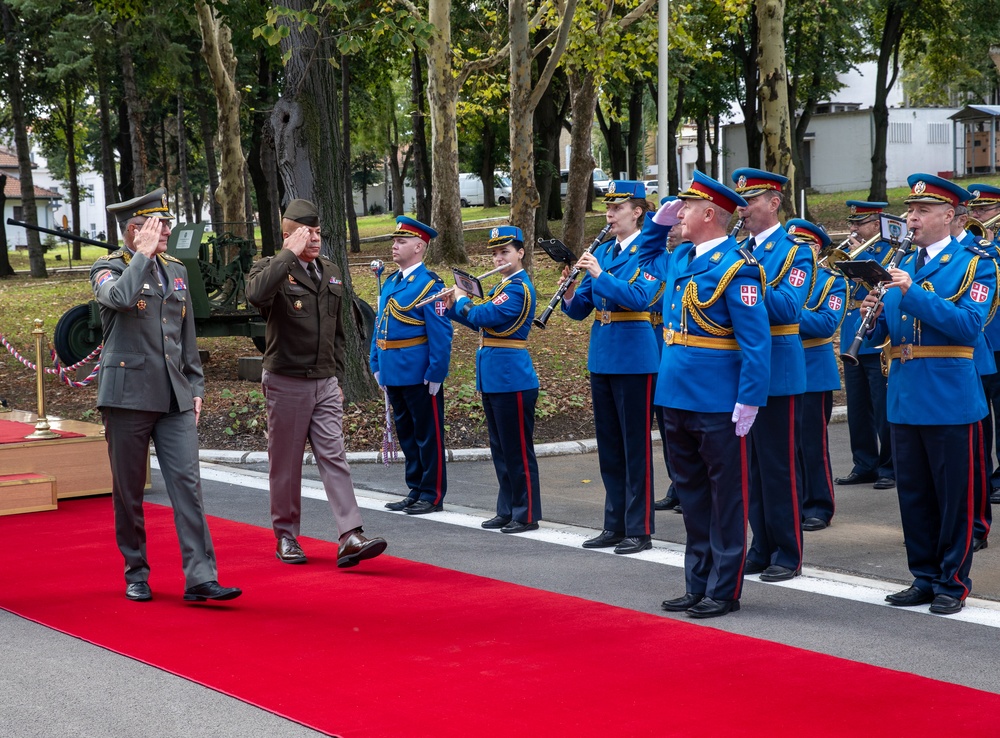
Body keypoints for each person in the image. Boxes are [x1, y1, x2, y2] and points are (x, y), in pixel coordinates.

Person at [91, 188, 241, 603]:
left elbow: (185, 338)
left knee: (188, 486)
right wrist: (140, 256)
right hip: (126, 396)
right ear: (135, 230)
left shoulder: (175, 270)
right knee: (129, 490)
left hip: (174, 397)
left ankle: (200, 578)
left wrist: (195, 387)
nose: (169, 231)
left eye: (168, 224)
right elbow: (119, 299)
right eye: (159, 226)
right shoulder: (108, 268)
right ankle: (135, 570)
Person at [637, 170, 770, 618]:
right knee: (691, 495)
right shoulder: (681, 258)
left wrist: (749, 398)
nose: (679, 214)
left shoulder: (739, 266)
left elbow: (756, 342)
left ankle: (724, 588)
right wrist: (655, 226)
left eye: (687, 208)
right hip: (675, 394)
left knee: (726, 497)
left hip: (719, 400)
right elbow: (644, 260)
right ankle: (696, 582)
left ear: (709, 213)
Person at [863, 173, 997, 615]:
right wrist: (875, 313)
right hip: (905, 390)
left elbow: (966, 326)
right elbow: (891, 332)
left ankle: (952, 581)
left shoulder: (976, 264)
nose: (912, 218)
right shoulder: (906, 264)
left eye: (921, 211)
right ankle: (923, 575)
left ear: (949, 216)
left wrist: (910, 291)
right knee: (914, 494)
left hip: (949, 394)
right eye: (910, 210)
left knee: (953, 495)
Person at [246, 199, 388, 567]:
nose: (315, 239)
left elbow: (339, 331)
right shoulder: (270, 269)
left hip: (324, 381)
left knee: (334, 456)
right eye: (306, 232)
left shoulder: (331, 271)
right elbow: (256, 296)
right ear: (289, 234)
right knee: (286, 463)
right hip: (286, 380)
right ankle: (286, 536)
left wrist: (338, 377)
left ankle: (350, 534)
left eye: (318, 232)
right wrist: (286, 257)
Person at [561, 180, 662, 555]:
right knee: (610, 448)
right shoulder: (602, 249)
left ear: (637, 211)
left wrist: (601, 274)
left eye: (617, 208)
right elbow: (580, 308)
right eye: (607, 208)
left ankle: (640, 528)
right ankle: (614, 523)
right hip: (602, 354)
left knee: (635, 446)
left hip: (635, 355)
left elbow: (640, 296)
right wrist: (570, 291)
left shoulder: (651, 251)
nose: (609, 215)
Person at [731, 168, 813, 583]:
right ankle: (760, 545)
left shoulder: (796, 251)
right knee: (752, 468)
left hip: (779, 367)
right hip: (741, 368)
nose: (741, 209)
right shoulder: (734, 246)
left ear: (774, 203)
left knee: (779, 466)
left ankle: (787, 550)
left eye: (750, 201)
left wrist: (743, 277)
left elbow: (787, 308)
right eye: (740, 201)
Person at [444, 226, 542, 534]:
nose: (498, 258)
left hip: (512, 378)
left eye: (505, 252)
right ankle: (507, 508)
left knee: (517, 450)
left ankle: (526, 513)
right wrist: (452, 308)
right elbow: (484, 325)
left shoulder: (517, 288)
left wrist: (462, 300)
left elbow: (484, 316)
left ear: (521, 253)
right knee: (500, 448)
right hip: (495, 377)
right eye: (495, 254)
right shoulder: (502, 287)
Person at [372, 216, 453, 515]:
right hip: (393, 371)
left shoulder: (431, 285)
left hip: (419, 374)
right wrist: (375, 361)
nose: (394, 246)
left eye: (401, 241)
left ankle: (432, 494)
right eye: (394, 241)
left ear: (419, 247)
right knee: (407, 433)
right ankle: (415, 488)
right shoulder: (392, 281)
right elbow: (380, 325)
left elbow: (441, 334)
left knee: (427, 434)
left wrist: (436, 372)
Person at [786, 219, 847, 532]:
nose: (797, 250)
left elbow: (825, 324)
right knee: (784, 445)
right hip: (782, 366)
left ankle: (819, 505)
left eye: (804, 245)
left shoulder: (831, 281)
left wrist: (787, 308)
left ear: (817, 248)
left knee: (811, 444)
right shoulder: (780, 278)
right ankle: (792, 503)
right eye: (792, 244)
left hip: (813, 368)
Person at [836, 200, 896, 490]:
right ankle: (864, 464)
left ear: (876, 224)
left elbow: (887, 282)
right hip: (852, 331)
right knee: (857, 405)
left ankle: (889, 465)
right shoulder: (847, 252)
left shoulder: (889, 250)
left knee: (881, 403)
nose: (853, 228)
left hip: (876, 333)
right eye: (852, 223)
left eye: (860, 223)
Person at [949, 197, 996, 553]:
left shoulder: (979, 254)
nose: (914, 222)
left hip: (971, 359)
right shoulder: (913, 257)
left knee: (975, 450)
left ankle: (977, 524)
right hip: (926, 364)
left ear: (955, 218)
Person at [651, 196, 685, 516]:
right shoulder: (661, 258)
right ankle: (676, 483)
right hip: (655, 343)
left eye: (676, 222)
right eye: (668, 223)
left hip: (672, 344)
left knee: (680, 424)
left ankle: (685, 484)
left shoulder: (681, 260)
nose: (672, 229)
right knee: (667, 426)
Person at [968, 183, 1000, 504]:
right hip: (978, 339)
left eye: (984, 210)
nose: (977, 215)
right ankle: (984, 476)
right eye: (974, 210)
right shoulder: (969, 246)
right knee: (980, 416)